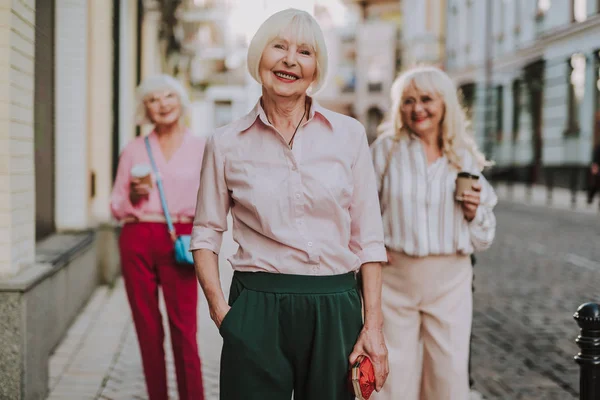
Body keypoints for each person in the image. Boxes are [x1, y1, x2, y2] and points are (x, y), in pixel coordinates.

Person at [190, 8, 388, 400]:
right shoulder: (225, 142)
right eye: (278, 47)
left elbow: (368, 237)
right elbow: (206, 232)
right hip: (256, 308)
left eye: (305, 52)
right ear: (258, 57)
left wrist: (373, 326)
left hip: (335, 308)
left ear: (317, 68)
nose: (289, 60)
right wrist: (221, 312)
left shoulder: (349, 135)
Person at [370, 66, 497, 400]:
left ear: (445, 105)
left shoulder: (463, 157)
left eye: (426, 99)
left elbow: (484, 237)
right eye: (408, 101)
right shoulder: (386, 151)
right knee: (394, 376)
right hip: (394, 280)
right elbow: (359, 213)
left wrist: (473, 212)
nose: (417, 108)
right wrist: (370, 251)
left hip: (450, 280)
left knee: (448, 374)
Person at [110, 75, 205, 400]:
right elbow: (116, 205)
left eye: (169, 96)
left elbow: (212, 201)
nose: (162, 104)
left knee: (185, 330)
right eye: (153, 99)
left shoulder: (201, 147)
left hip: (181, 239)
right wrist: (136, 195)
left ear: (181, 102)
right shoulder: (134, 150)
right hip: (137, 237)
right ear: (145, 109)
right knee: (148, 329)